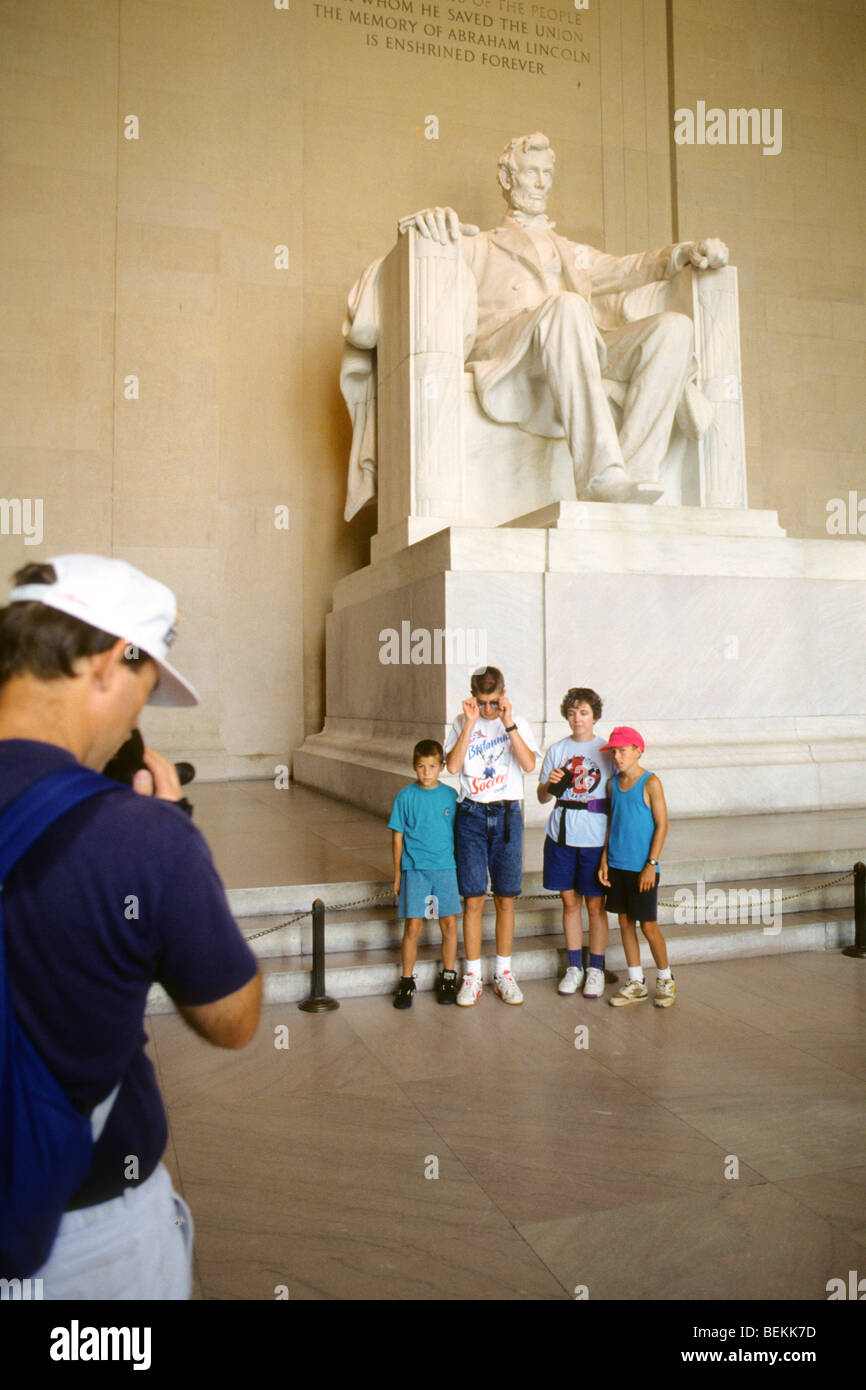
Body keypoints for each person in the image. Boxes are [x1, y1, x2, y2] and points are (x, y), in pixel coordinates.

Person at [0, 555, 262, 1298]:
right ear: (112, 661)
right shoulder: (140, 838)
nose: (133, 725)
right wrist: (168, 832)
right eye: (142, 694)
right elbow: (232, 1017)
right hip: (84, 1241)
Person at [343, 131, 728, 518]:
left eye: (547, 173)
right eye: (532, 173)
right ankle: (599, 475)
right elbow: (397, 267)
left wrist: (683, 253)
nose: (542, 182)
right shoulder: (479, 244)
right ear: (508, 179)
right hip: (511, 350)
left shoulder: (572, 252)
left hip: (574, 343)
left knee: (674, 329)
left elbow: (630, 267)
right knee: (567, 307)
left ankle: (634, 470)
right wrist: (426, 227)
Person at [444, 666, 539, 1006]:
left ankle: (503, 971)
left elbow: (529, 765)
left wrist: (508, 722)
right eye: (482, 703)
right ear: (473, 697)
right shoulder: (461, 722)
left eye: (493, 702)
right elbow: (452, 767)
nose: (487, 710)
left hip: (507, 813)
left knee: (505, 897)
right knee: (472, 898)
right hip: (471, 813)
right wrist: (469, 723)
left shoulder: (517, 722)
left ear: (503, 695)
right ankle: (472, 975)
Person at [537, 687, 614, 1000]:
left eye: (583, 712)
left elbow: (616, 796)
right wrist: (550, 784)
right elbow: (542, 797)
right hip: (562, 834)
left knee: (596, 906)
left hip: (595, 837)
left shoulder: (607, 750)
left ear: (594, 714)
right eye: (571, 713)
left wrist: (612, 845)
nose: (577, 719)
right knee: (570, 903)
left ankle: (595, 967)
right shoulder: (557, 749)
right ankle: (574, 966)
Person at [598, 726, 675, 1008]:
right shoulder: (613, 785)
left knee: (649, 926)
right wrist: (605, 856)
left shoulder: (651, 782)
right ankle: (635, 982)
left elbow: (662, 825)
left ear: (637, 751)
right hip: (617, 864)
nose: (617, 757)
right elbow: (612, 823)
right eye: (614, 752)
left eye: (622, 750)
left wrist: (650, 865)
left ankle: (665, 979)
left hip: (642, 867)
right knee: (625, 922)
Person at [388, 739, 460, 1008]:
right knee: (412, 927)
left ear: (442, 766)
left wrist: (459, 871)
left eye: (432, 766)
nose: (427, 772)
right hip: (415, 870)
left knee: (449, 925)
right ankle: (407, 980)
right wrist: (397, 875)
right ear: (413, 766)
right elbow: (397, 838)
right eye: (421, 767)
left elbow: (458, 835)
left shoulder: (451, 796)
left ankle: (448, 977)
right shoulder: (405, 796)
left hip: (445, 869)